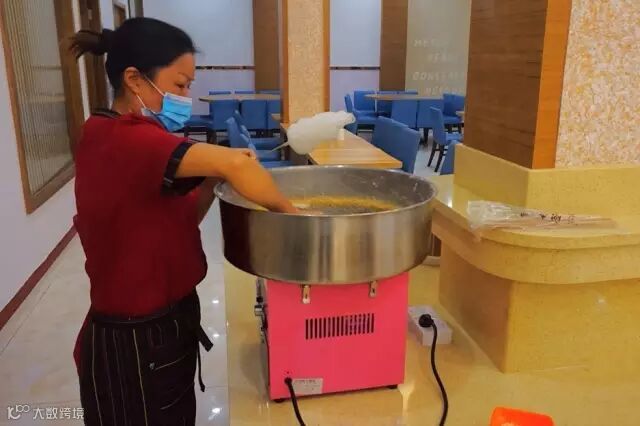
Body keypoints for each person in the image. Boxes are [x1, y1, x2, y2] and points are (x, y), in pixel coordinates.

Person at [69, 17, 295, 426]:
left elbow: (181, 218)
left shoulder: (126, 138)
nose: (186, 97)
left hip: (167, 324)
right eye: (179, 85)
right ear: (134, 79)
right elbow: (236, 166)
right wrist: (295, 215)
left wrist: (210, 177)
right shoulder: (124, 139)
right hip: (137, 339)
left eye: (189, 86)